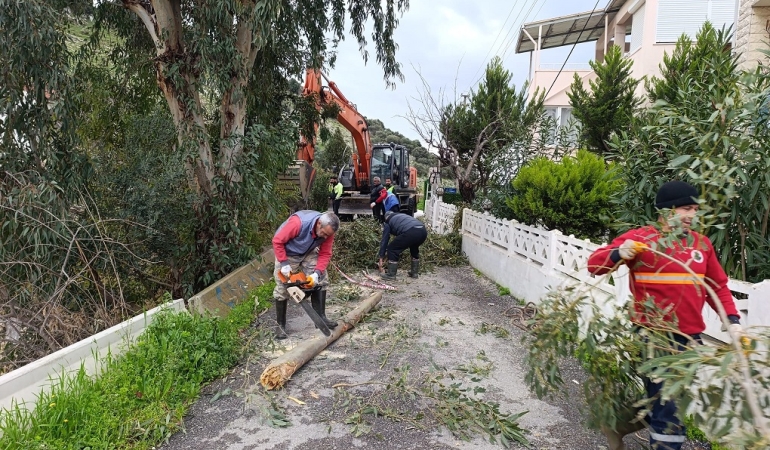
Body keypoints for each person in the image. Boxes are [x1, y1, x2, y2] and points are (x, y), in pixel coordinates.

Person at [587, 181, 743, 450]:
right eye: (686, 208)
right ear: (667, 210)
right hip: (652, 338)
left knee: (666, 400)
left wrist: (733, 322)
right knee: (670, 409)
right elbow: (594, 264)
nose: (692, 215)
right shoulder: (642, 241)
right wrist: (618, 253)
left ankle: (620, 423)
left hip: (690, 340)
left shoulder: (701, 245)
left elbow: (717, 287)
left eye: (695, 209)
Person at [271, 210, 341, 339]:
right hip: (288, 251)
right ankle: (280, 325)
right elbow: (277, 241)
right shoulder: (298, 223)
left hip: (308, 250)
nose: (325, 237)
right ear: (319, 224)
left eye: (328, 235)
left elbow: (325, 253)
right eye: (324, 234)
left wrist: (316, 274)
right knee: (282, 287)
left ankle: (321, 317)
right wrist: (284, 263)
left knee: (322, 279)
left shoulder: (328, 232)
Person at [378, 211, 427, 280]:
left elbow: (385, 240)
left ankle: (391, 275)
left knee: (392, 249)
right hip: (423, 231)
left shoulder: (388, 222)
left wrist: (381, 257)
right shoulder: (401, 216)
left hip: (411, 231)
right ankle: (414, 273)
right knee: (414, 247)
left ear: (386, 218)